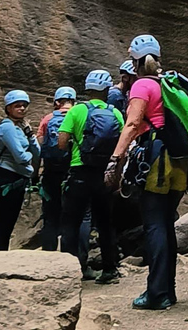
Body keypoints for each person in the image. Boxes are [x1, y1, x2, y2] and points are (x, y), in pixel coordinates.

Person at [106, 34, 188, 310]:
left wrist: (115, 159)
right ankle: (168, 290)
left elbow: (131, 125)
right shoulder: (168, 83)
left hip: (155, 162)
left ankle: (156, 294)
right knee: (166, 225)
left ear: (135, 61)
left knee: (154, 225)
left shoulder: (142, 85)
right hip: (178, 162)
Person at [58, 70, 124, 284]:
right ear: (106, 90)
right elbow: (122, 147)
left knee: (71, 222)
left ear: (87, 89)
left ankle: (69, 271)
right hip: (104, 173)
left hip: (80, 170)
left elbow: (61, 142)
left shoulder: (76, 111)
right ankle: (109, 270)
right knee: (105, 223)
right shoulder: (116, 113)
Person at [36, 86, 94, 277]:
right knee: (82, 217)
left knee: (51, 216)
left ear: (56, 102)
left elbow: (40, 146)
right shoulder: (80, 114)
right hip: (74, 172)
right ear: (74, 101)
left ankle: (48, 265)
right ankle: (80, 264)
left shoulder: (47, 119)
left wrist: (36, 172)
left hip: (52, 173)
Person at [0, 90, 40, 252]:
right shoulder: (7, 128)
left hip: (17, 178)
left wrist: (30, 134)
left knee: (9, 221)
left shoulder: (20, 127)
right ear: (8, 108)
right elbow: (21, 157)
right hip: (6, 177)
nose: (22, 109)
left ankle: (0, 254)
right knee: (3, 222)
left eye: (24, 105)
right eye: (17, 106)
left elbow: (38, 151)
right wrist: (29, 155)